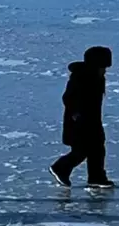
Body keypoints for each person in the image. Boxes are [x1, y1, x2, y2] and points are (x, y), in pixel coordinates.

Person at [49, 46, 115, 189]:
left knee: (97, 149)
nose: (105, 70)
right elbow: (68, 97)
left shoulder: (97, 77)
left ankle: (96, 178)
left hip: (92, 119)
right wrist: (76, 113)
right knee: (83, 149)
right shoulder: (81, 77)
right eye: (103, 66)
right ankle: (60, 167)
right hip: (79, 121)